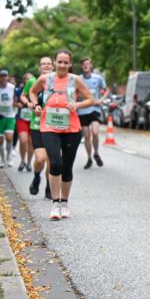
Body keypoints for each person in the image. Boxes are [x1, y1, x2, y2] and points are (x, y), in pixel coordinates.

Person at [28, 49, 96, 220]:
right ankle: (55, 203)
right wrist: (36, 105)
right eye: (60, 62)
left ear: (70, 64)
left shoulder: (76, 80)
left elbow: (90, 99)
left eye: (66, 62)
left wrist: (77, 106)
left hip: (71, 129)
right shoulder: (45, 79)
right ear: (55, 62)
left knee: (67, 167)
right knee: (55, 163)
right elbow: (32, 92)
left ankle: (64, 203)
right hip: (49, 127)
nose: (63, 65)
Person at [22, 56, 55, 199]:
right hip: (36, 125)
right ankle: (36, 177)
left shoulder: (57, 81)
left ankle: (49, 185)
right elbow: (24, 96)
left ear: (52, 66)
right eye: (43, 64)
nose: (46, 66)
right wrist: (30, 104)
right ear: (39, 67)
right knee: (41, 159)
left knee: (51, 159)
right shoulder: (32, 81)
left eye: (49, 64)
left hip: (54, 125)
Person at [77, 57, 107, 169]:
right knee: (86, 136)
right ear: (81, 66)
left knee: (95, 132)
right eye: (84, 64)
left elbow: (106, 89)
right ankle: (89, 157)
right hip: (83, 110)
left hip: (95, 109)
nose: (86, 66)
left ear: (91, 66)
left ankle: (96, 153)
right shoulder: (78, 79)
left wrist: (102, 99)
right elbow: (74, 92)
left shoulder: (98, 78)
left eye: (87, 64)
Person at [14, 72, 35, 171]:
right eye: (27, 79)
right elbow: (13, 102)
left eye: (31, 79)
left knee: (31, 143)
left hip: (33, 119)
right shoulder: (19, 91)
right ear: (24, 81)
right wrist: (17, 104)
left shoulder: (36, 90)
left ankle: (29, 163)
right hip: (22, 118)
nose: (29, 81)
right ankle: (22, 160)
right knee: (23, 140)